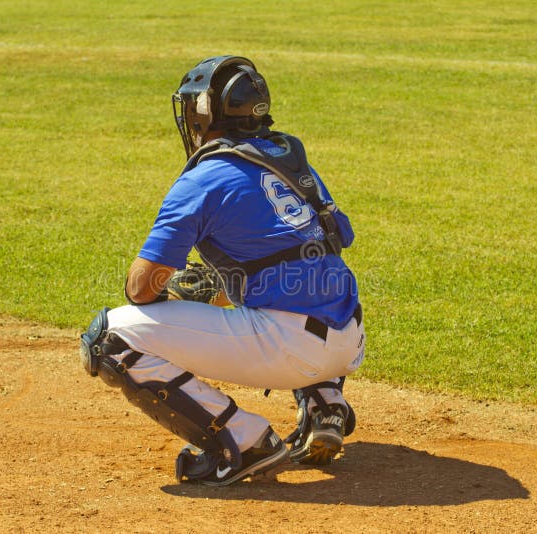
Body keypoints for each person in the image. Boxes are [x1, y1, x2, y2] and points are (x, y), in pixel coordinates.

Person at [79, 55, 365, 487]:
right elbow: (309, 246)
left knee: (108, 340)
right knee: (300, 277)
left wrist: (178, 291)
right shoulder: (289, 158)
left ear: (205, 113)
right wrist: (223, 286)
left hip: (290, 348)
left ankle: (244, 441)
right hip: (349, 337)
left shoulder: (203, 178)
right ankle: (326, 402)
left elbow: (141, 289)